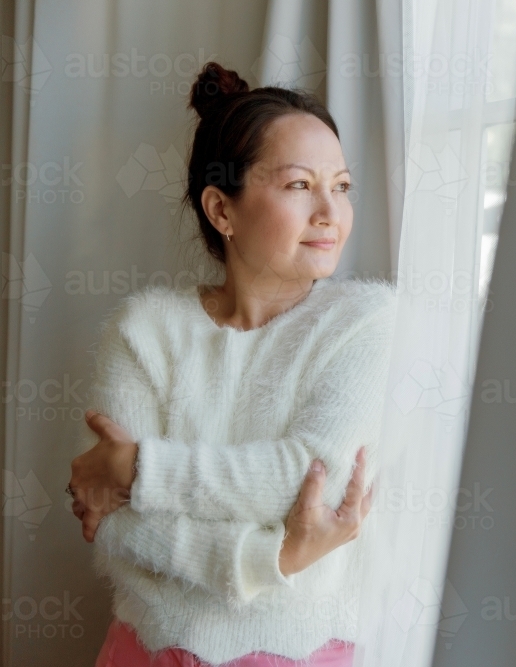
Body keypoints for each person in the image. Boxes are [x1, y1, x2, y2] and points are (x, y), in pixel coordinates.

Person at [67, 61, 397, 666]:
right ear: (222, 210)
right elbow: (113, 527)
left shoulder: (365, 322)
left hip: (294, 654)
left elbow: (304, 477)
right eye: (300, 185)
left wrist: (137, 468)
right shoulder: (144, 330)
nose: (330, 210)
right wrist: (271, 559)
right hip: (143, 650)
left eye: (342, 185)